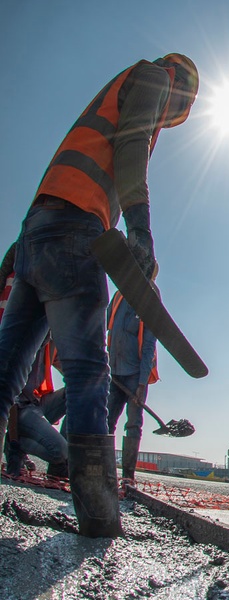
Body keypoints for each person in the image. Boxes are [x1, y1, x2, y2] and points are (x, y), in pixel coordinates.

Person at [0, 54, 199, 537]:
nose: (167, 121)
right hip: (75, 231)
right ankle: (98, 512)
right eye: (174, 114)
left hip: (37, 230)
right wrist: (140, 229)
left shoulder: (108, 94)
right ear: (183, 89)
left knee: (6, 370)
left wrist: (16, 256)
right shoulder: (155, 77)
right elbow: (131, 144)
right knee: (91, 371)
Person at [106, 279, 159, 486]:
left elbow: (148, 345)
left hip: (134, 375)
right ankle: (106, 468)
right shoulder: (118, 296)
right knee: (107, 420)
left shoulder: (149, 299)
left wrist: (141, 384)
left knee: (133, 423)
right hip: (114, 372)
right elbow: (108, 328)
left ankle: (128, 475)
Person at [3, 336, 68, 480]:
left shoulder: (50, 343)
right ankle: (18, 444)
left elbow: (71, 372)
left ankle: (63, 464)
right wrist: (13, 441)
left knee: (78, 391)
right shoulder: (22, 341)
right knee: (59, 452)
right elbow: (11, 398)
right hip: (20, 410)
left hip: (37, 403)